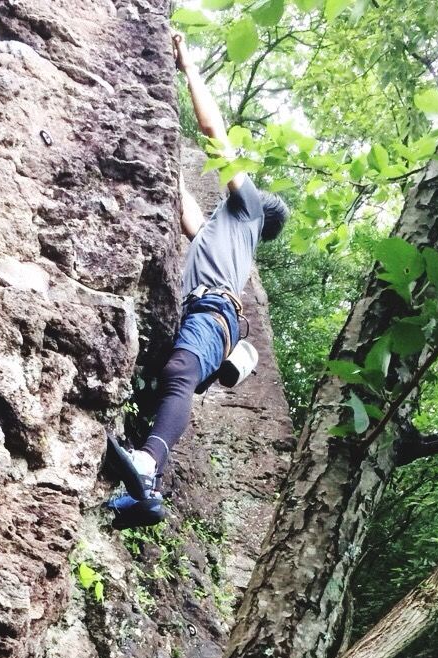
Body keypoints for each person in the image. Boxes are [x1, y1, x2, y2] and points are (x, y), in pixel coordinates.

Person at [104, 30, 289, 529]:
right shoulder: (220, 231)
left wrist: (187, 65)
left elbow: (215, 131)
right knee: (166, 383)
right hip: (208, 316)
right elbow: (185, 208)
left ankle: (146, 466)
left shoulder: (248, 210)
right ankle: (144, 495)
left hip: (214, 314)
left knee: (178, 376)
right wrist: (161, 138)